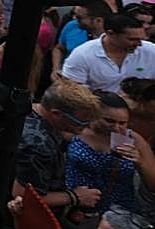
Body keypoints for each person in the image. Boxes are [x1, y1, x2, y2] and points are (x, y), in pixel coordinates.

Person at [14, 78, 103, 219]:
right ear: (56, 114)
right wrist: (74, 197)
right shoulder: (39, 147)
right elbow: (22, 195)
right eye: (81, 122)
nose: (87, 128)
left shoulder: (26, 108)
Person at [67, 91, 142, 223]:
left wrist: (140, 163)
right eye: (109, 121)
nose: (116, 128)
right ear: (93, 115)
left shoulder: (132, 139)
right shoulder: (75, 130)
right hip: (77, 208)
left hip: (117, 213)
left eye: (122, 123)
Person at [63, 14, 155, 94]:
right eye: (132, 39)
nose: (139, 44)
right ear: (110, 34)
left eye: (141, 39)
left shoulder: (152, 51)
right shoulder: (82, 55)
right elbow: (71, 91)